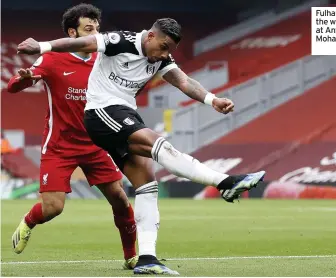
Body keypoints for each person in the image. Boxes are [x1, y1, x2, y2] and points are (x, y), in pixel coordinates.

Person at [17, 18, 266, 275]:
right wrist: (43, 46)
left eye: (170, 50)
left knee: (147, 184)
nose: (165, 54)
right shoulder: (121, 41)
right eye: (163, 46)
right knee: (159, 144)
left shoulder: (160, 59)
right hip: (101, 112)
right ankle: (224, 183)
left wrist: (212, 100)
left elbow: (184, 82)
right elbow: (84, 42)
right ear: (150, 37)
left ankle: (147, 258)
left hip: (126, 114)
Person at [8, 3, 141, 270]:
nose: (95, 34)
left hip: (97, 143)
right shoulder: (52, 58)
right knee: (53, 208)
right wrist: (24, 79)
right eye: (88, 29)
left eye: (97, 28)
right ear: (72, 33)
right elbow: (13, 86)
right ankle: (28, 222)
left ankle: (131, 256)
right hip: (59, 145)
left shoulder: (104, 58)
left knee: (119, 198)